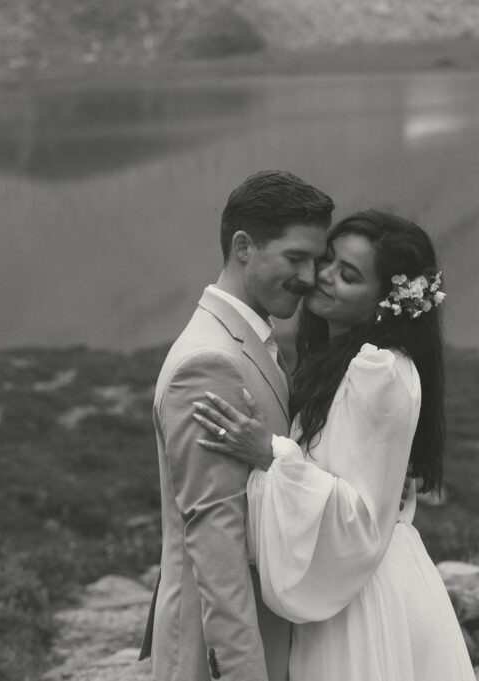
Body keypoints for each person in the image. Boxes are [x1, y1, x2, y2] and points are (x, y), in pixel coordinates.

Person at [192, 210, 476, 680]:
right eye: (327, 261)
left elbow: (358, 518)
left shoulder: (378, 372)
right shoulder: (338, 360)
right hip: (349, 584)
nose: (322, 278)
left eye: (348, 276)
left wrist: (270, 454)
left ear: (383, 301)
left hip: (361, 597)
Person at [138, 169, 334, 681]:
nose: (311, 278)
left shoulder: (246, 342)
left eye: (317, 261)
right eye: (296, 258)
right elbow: (215, 540)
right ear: (244, 246)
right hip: (220, 652)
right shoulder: (209, 364)